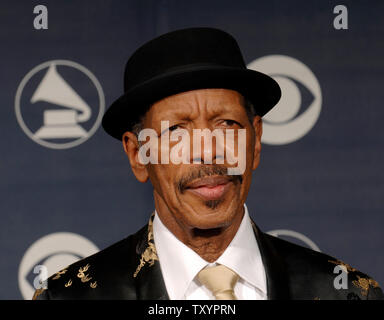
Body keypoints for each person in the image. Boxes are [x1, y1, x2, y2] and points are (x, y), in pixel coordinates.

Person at [33, 27, 383, 300]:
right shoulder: (71, 295)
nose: (208, 151)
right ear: (138, 154)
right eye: (177, 132)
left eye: (227, 125)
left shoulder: (348, 292)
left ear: (255, 141)